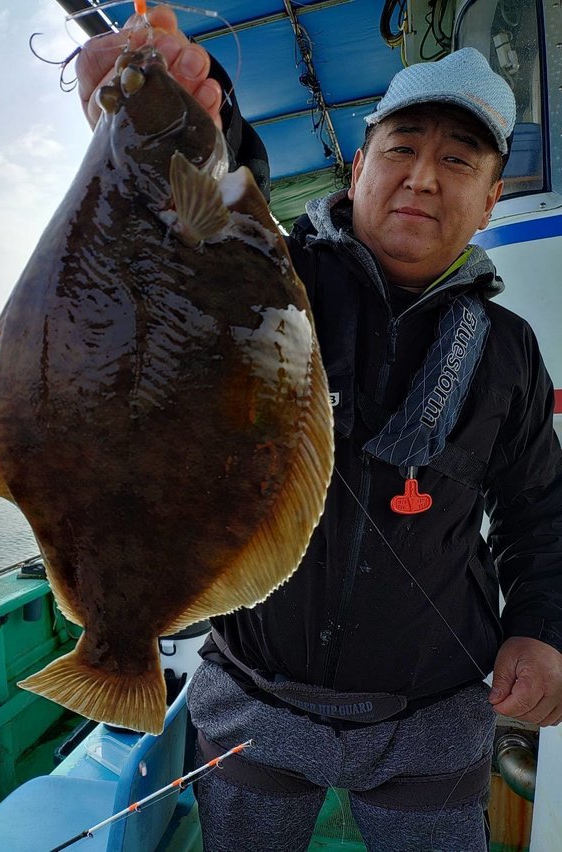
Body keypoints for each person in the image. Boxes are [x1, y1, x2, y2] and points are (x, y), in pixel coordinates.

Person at [77, 9, 562, 851]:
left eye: (458, 160)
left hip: (437, 710)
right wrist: (186, 111)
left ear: (490, 199)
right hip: (255, 697)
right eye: (402, 149)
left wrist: (542, 627)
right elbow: (208, 206)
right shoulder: (269, 277)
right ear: (360, 164)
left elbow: (539, 511)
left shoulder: (511, 353)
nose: (422, 178)